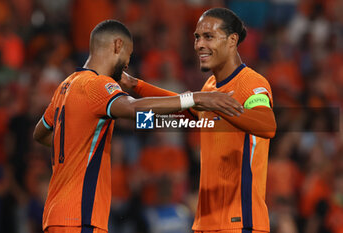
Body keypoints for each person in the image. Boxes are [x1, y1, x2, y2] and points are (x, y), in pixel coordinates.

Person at [32, 19, 244, 233]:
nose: (127, 63)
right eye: (129, 55)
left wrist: (77, 144)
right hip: (79, 216)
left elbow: (40, 133)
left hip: (57, 213)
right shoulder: (96, 84)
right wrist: (194, 98)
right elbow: (134, 109)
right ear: (117, 46)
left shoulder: (66, 86)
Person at [120, 8, 277, 233]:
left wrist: (220, 108)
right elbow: (187, 108)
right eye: (197, 37)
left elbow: (268, 125)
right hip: (206, 223)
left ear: (232, 40)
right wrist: (136, 86)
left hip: (240, 221)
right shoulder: (210, 87)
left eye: (208, 37)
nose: (199, 44)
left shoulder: (251, 83)